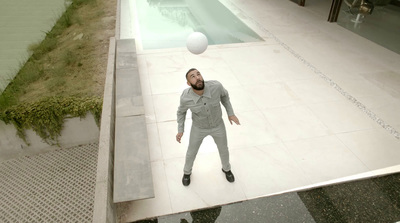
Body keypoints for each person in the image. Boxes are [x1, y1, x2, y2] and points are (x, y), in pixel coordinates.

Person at [176, 68, 240, 186]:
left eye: (198, 74)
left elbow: (225, 96)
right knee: (191, 152)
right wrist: (180, 130)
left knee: (223, 149)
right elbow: (181, 112)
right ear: (189, 83)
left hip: (218, 125)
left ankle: (226, 169)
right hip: (199, 128)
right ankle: (187, 172)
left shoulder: (216, 86)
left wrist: (230, 113)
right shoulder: (185, 97)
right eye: (193, 76)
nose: (198, 77)